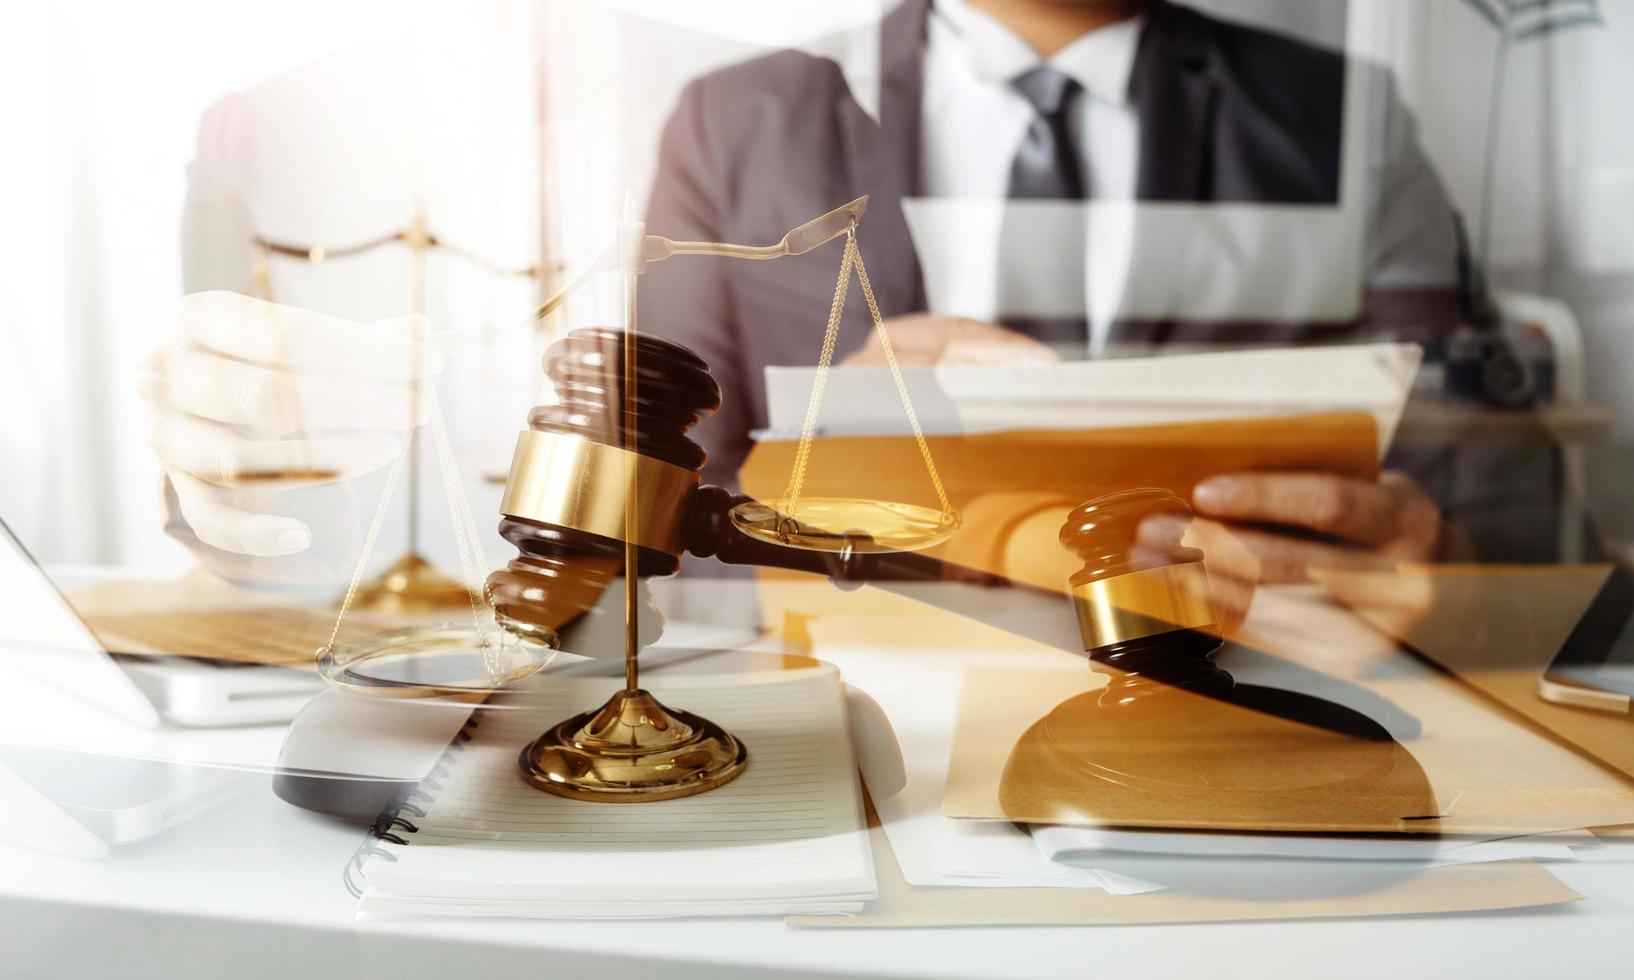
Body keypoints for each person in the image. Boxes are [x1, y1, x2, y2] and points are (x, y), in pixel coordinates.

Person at [635, 0, 1561, 626]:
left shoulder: (1341, 118)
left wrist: (1438, 566)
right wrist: (815, 476)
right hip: (865, 722)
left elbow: (1519, 520)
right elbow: (637, 518)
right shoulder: (734, 121)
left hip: (1246, 718)